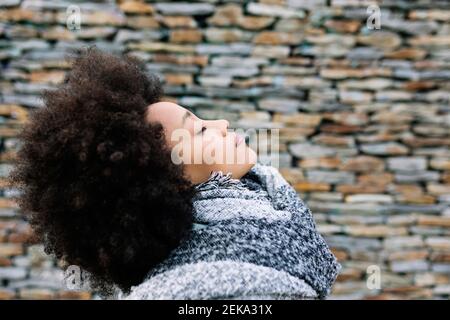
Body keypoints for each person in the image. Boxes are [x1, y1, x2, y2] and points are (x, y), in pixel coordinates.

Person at [8, 47, 340, 299]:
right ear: (162, 184)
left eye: (202, 121)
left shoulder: (271, 205)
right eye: (197, 131)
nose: (222, 126)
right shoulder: (189, 291)